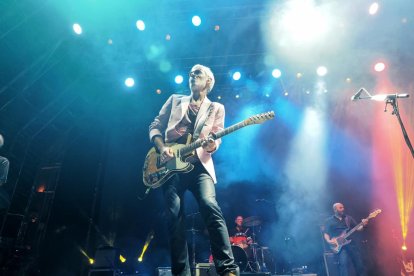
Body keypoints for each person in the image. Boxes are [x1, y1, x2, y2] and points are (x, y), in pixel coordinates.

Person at [149, 64, 239, 276]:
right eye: (190, 74)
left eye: (197, 73)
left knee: (210, 204)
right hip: (171, 167)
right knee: (174, 217)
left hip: (199, 166)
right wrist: (162, 149)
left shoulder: (216, 108)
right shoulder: (174, 100)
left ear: (208, 81)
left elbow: (216, 139)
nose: (191, 76)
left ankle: (228, 270)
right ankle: (182, 273)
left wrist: (211, 145)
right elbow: (154, 126)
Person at [323, 203, 368, 276]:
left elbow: (358, 228)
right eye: (340, 208)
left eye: (343, 207)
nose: (343, 209)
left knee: (359, 264)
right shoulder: (329, 221)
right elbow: (326, 233)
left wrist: (364, 225)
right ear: (335, 209)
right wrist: (328, 241)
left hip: (351, 244)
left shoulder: (348, 218)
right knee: (343, 265)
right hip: (339, 246)